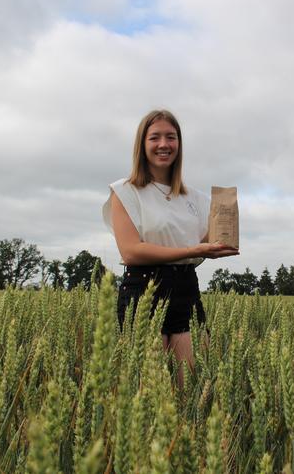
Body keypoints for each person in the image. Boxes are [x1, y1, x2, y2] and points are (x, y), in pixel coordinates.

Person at [101, 109, 238, 383]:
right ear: (142, 144)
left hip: (186, 289)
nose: (164, 144)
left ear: (179, 144)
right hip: (143, 292)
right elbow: (131, 251)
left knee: (190, 388)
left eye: (171, 137)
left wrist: (215, 244)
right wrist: (195, 251)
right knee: (150, 391)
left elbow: (199, 245)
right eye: (155, 137)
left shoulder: (194, 199)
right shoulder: (125, 192)